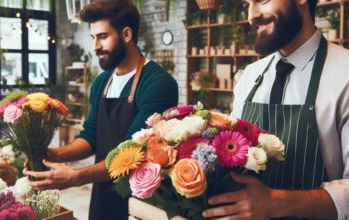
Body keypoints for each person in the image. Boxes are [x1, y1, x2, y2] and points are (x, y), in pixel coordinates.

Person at [24, 1, 178, 219]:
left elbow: (132, 152)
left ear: (126, 34)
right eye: (93, 38)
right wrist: (53, 155)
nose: (95, 46)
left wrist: (76, 177)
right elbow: (90, 137)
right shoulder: (101, 83)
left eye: (103, 36)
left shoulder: (158, 83)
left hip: (140, 197)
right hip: (102, 190)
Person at [202, 0, 348, 219]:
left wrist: (278, 204)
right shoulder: (249, 76)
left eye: (261, 0)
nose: (251, 14)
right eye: (246, 4)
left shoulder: (345, 73)